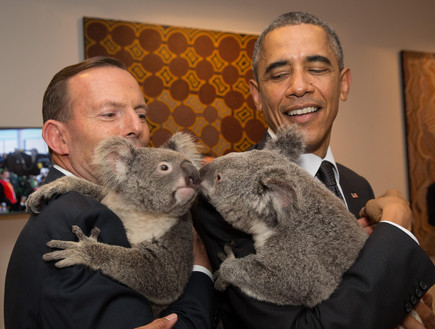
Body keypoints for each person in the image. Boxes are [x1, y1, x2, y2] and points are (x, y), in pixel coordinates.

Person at [192, 11, 435, 329]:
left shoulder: (355, 184)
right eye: (279, 75)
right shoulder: (225, 193)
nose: (299, 86)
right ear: (256, 95)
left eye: (317, 69)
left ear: (344, 84)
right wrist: (397, 227)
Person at [4, 57, 215, 329]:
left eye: (141, 115)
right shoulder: (87, 219)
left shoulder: (67, 204)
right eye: (109, 114)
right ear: (58, 138)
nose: (136, 127)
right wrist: (200, 268)